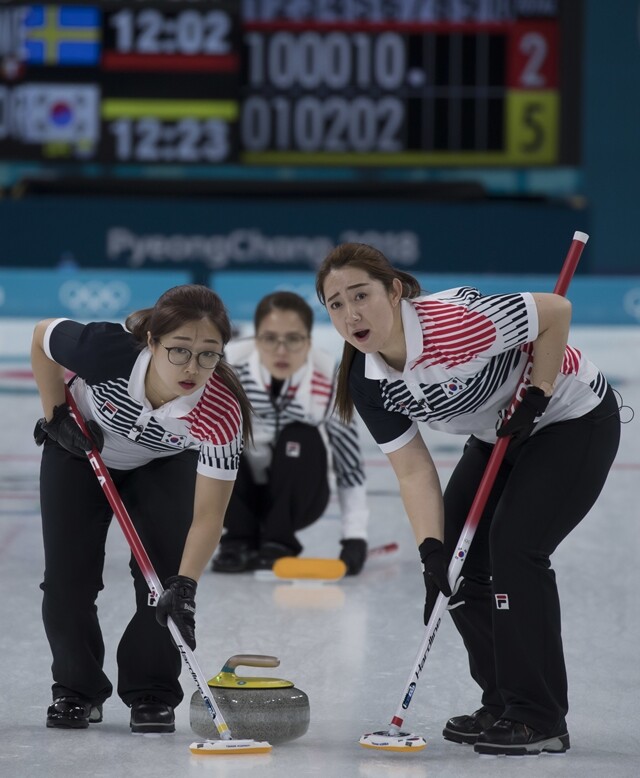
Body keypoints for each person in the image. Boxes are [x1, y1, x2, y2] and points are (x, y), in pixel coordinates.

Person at [315, 243, 621, 756]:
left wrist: (540, 391)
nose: (351, 314)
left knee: (515, 549)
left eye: (361, 295)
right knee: (456, 568)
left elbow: (557, 310)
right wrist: (431, 552)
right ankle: (504, 701)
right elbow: (413, 470)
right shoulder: (367, 381)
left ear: (394, 292)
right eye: (336, 304)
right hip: (497, 433)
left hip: (571, 417)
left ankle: (539, 716)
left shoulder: (455, 324)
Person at [31, 285, 252, 734]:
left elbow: (209, 516)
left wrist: (186, 587)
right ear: (152, 341)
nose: (193, 367)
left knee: (163, 583)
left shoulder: (221, 412)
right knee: (67, 583)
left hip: (162, 463)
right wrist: (56, 417)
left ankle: (151, 690)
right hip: (80, 453)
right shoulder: (106, 350)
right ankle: (76, 691)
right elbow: (40, 336)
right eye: (179, 350)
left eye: (209, 354)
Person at [210, 291, 370, 574]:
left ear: (309, 341)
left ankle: (278, 541)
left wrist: (354, 536)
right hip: (234, 492)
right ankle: (237, 538)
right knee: (216, 440)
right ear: (256, 338)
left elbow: (350, 465)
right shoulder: (228, 374)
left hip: (299, 500)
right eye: (270, 338)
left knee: (301, 436)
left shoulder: (327, 381)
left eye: (293, 339)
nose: (281, 350)